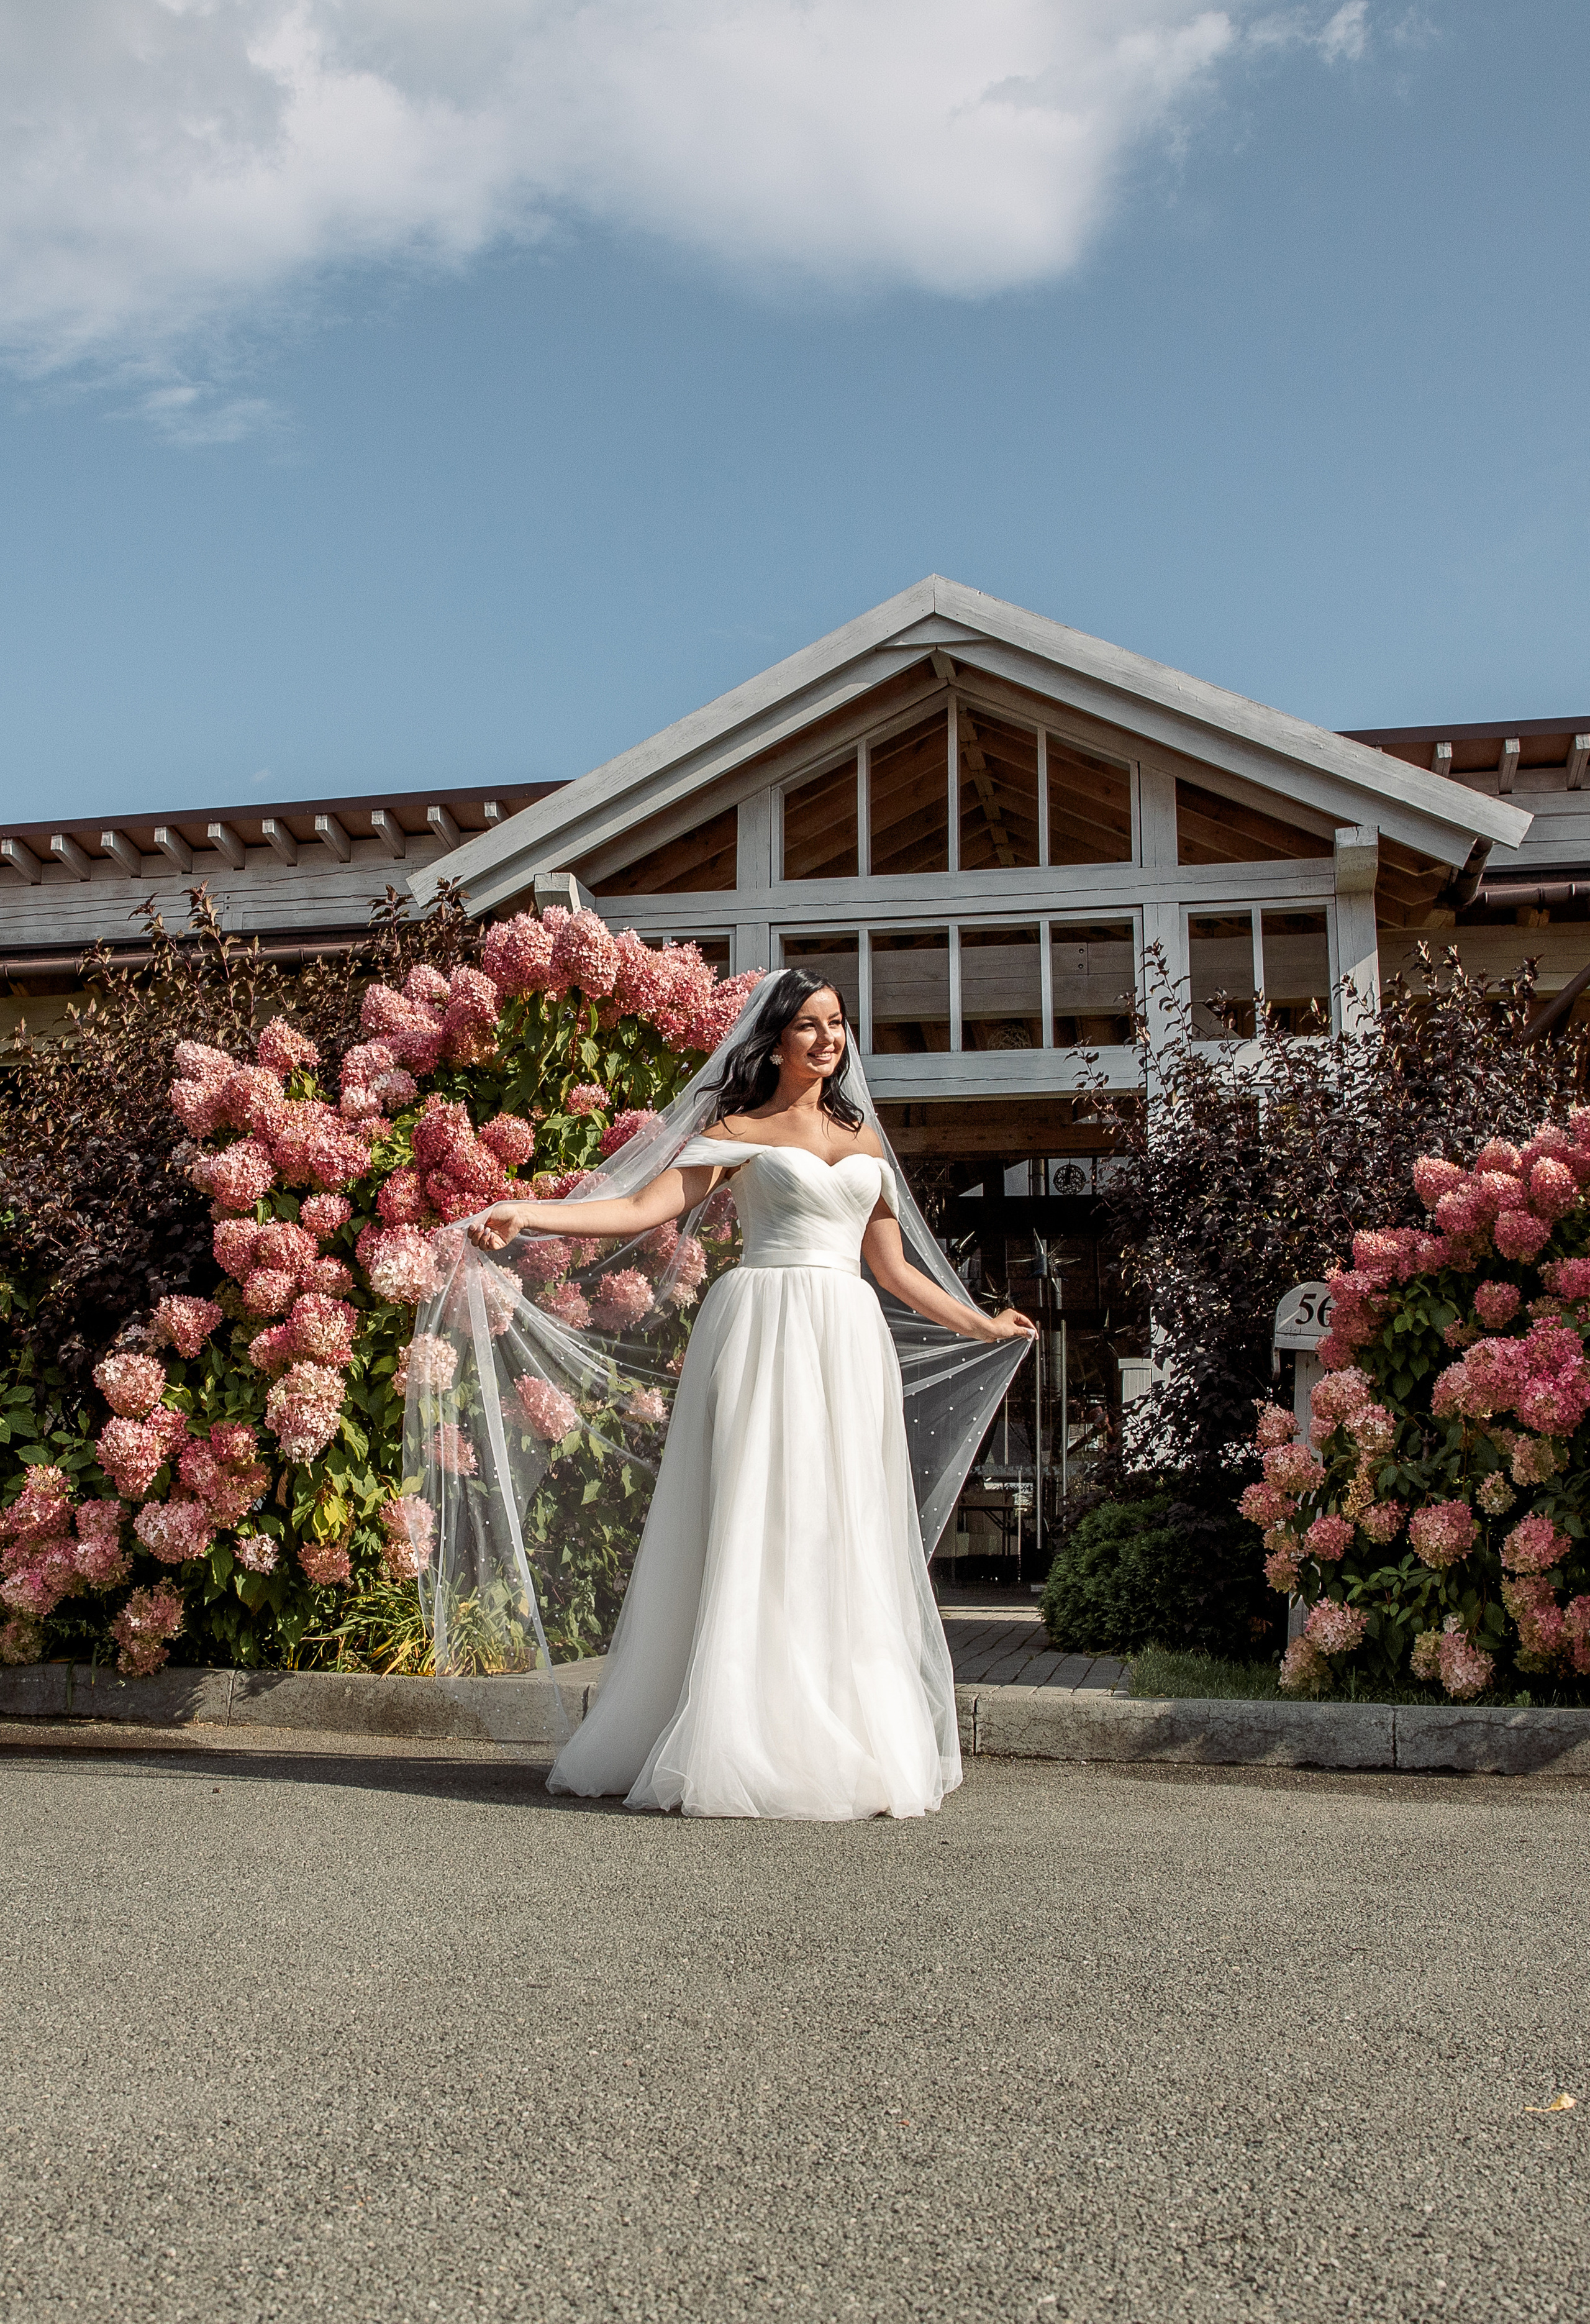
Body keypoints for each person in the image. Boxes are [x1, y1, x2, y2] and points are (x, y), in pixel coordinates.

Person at [471, 970, 1036, 1821]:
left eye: (837, 1024)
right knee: (756, 1516)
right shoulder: (735, 1128)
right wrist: (528, 1209)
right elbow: (636, 1208)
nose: (827, 1039)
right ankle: (736, 1728)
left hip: (846, 1336)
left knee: (836, 1522)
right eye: (808, 1025)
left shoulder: (862, 1138)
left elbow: (892, 1267)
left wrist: (978, 1321)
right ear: (773, 1040)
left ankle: (838, 1728)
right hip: (764, 1325)